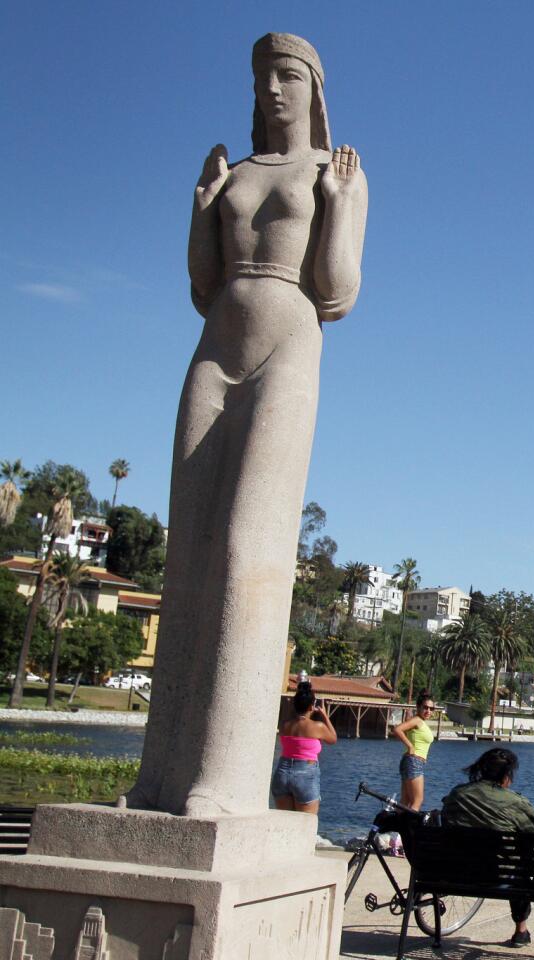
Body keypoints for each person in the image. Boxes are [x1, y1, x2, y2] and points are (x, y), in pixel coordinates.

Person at [128, 32, 368, 816]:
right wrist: (201, 213)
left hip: (288, 351)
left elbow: (335, 293)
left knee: (245, 549)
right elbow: (203, 286)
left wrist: (336, 208)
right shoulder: (233, 176)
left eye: (288, 76)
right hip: (214, 351)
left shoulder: (335, 174)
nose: (273, 89)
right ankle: (159, 778)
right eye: (263, 76)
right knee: (188, 558)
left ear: (313, 89)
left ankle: (226, 779)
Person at [441, 748, 534, 949]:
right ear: (506, 775)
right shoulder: (513, 801)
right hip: (500, 874)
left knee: (512, 856)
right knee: (519, 859)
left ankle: (521, 931)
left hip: (454, 871)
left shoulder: (457, 794)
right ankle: (521, 931)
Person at [271, 676, 337, 814]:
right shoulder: (317, 727)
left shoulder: (285, 724)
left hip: (282, 772)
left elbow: (291, 716)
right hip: (305, 773)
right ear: (311, 706)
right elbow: (333, 739)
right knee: (306, 823)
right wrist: (324, 715)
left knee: (285, 822)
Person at [391, 692, 437, 811]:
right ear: (418, 707)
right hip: (414, 761)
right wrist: (410, 746)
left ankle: (396, 827)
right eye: (425, 707)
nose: (428, 711)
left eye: (431, 708)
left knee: (405, 801)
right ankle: (408, 828)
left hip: (410, 762)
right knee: (417, 801)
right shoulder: (417, 720)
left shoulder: (420, 722)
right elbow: (397, 729)